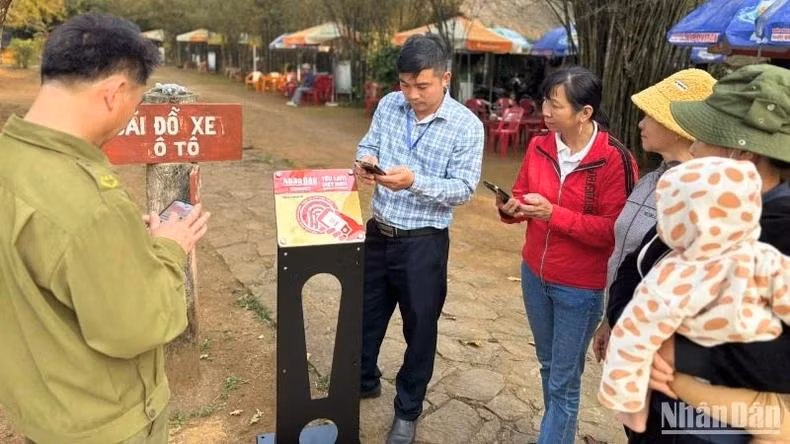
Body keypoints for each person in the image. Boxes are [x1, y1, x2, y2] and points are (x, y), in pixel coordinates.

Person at [0, 14, 210, 444]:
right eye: (136, 101)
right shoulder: (93, 204)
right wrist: (169, 249)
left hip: (42, 410)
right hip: (108, 423)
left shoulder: (10, 161)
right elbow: (137, 326)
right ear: (114, 93)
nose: (131, 116)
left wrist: (130, 248)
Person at [607, 64, 790, 443]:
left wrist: (675, 353)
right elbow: (643, 261)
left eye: (704, 138)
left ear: (742, 154)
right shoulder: (724, 210)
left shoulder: (775, 232)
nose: (692, 148)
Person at [496, 66, 638, 444]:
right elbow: (524, 193)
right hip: (535, 275)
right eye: (544, 100)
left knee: (563, 379)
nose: (545, 109)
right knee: (549, 367)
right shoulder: (539, 146)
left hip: (581, 288)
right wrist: (512, 208)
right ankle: (556, 432)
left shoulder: (614, 160)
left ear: (585, 112)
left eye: (554, 104)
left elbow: (613, 232)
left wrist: (552, 214)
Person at [353, 33, 484, 444]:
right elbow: (367, 144)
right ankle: (363, 378)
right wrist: (366, 161)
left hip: (423, 243)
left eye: (422, 86)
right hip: (379, 233)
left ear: (445, 78)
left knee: (420, 329)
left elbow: (464, 188)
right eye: (404, 85)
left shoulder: (466, 125)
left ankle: (407, 411)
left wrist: (415, 182)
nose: (411, 95)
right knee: (364, 314)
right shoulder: (390, 105)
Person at [592, 69, 716, 361]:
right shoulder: (648, 181)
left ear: (677, 126)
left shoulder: (698, 194)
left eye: (650, 116)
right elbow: (627, 258)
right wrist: (610, 318)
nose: (640, 123)